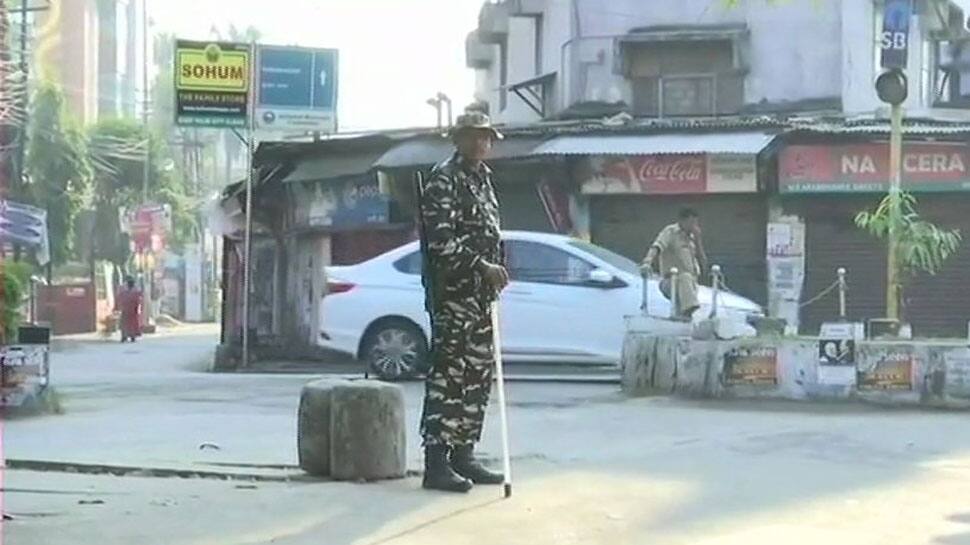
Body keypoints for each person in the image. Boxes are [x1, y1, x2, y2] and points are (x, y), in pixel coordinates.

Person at [417, 111, 510, 493]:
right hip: (454, 295)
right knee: (448, 376)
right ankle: (436, 462)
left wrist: (496, 269)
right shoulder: (444, 179)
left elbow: (489, 233)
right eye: (472, 136)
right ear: (457, 139)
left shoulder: (483, 180)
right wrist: (482, 266)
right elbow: (442, 243)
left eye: (485, 137)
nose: (480, 143)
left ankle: (464, 454)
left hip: (480, 297)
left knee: (477, 375)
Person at [640, 208, 708, 320]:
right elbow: (657, 246)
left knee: (687, 282)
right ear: (682, 221)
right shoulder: (670, 232)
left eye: (695, 223)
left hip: (690, 283)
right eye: (691, 223)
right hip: (670, 281)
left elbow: (702, 259)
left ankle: (684, 316)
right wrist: (648, 261)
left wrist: (698, 240)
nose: (693, 226)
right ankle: (688, 309)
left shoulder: (692, 237)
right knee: (685, 277)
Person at [116, 276, 143, 343]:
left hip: (131, 309)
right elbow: (120, 298)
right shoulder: (125, 289)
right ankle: (127, 336)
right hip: (128, 309)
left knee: (129, 324)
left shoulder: (132, 290)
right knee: (128, 324)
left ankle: (130, 336)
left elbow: (139, 299)